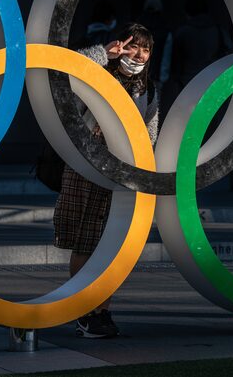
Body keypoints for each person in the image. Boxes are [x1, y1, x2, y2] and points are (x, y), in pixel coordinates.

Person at [52, 22, 159, 338]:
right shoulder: (97, 75)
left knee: (112, 245)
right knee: (85, 240)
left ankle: (103, 311)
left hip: (122, 174)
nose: (137, 54)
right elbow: (62, 69)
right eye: (132, 46)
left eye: (145, 48)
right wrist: (103, 53)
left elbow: (150, 134)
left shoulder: (149, 89)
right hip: (87, 165)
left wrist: (141, 171)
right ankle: (83, 310)